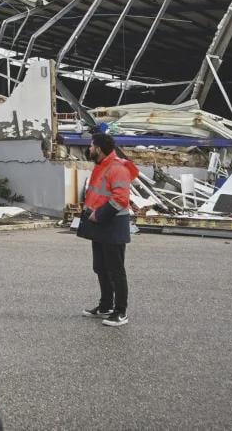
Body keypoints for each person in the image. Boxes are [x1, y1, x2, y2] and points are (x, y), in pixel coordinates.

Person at [79, 132, 139, 327]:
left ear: (98, 148)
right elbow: (97, 194)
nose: (89, 149)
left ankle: (120, 312)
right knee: (101, 268)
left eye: (91, 146)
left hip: (112, 224)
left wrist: (99, 214)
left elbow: (121, 198)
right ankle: (105, 306)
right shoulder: (102, 166)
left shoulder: (117, 168)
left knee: (116, 270)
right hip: (101, 224)